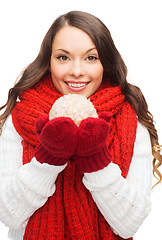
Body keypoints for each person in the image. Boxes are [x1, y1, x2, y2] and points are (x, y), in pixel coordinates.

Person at [0, 10, 161, 240]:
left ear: (105, 62)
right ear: (49, 62)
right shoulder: (21, 117)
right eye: (63, 57)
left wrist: (96, 159)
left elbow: (129, 224)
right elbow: (9, 214)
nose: (76, 71)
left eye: (90, 58)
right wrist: (48, 157)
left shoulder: (130, 121)